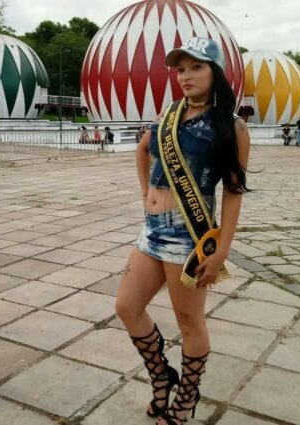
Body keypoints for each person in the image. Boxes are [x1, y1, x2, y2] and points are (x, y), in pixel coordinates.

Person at [114, 36, 250, 425]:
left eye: (196, 67)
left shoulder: (232, 127)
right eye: (181, 69)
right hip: (152, 232)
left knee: (189, 322)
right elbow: (143, 149)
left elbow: (233, 192)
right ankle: (162, 377)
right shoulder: (169, 115)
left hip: (189, 236)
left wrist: (221, 249)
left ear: (216, 72)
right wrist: (145, 191)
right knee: (126, 307)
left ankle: (186, 397)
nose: (185, 76)